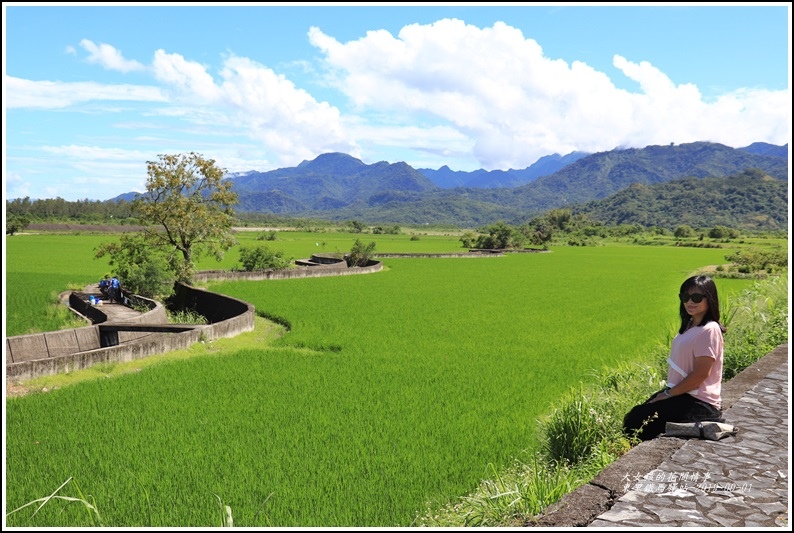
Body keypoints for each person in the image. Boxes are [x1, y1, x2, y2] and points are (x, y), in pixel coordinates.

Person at [623, 275, 725, 441]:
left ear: (710, 298)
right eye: (685, 297)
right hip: (684, 394)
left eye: (696, 297)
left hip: (699, 401)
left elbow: (701, 374)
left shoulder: (709, 329)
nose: (689, 302)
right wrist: (668, 393)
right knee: (637, 414)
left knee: (639, 420)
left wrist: (669, 394)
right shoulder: (691, 325)